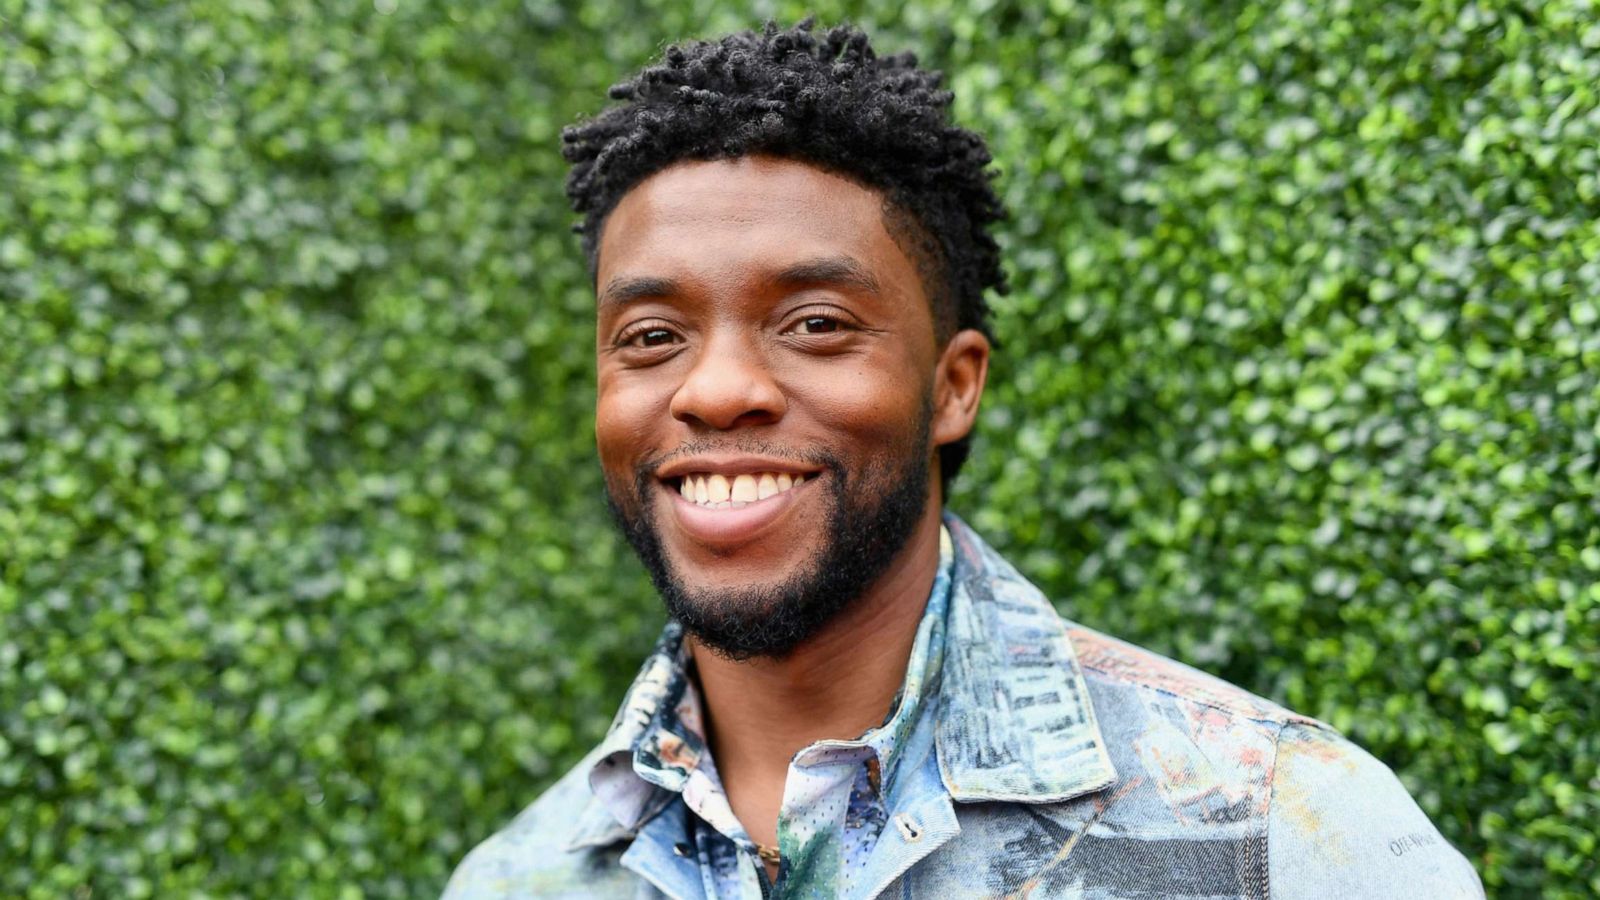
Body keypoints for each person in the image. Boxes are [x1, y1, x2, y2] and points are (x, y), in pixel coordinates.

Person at [444, 20, 1483, 899]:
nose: (713, 389)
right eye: (650, 337)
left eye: (811, 322)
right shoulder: (518, 879)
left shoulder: (1278, 831)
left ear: (952, 387)